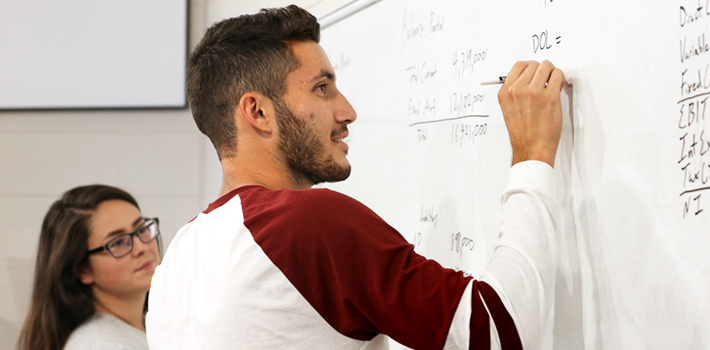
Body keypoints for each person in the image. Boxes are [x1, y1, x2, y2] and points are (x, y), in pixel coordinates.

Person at [147, 5, 566, 350]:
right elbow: (499, 329)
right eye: (322, 88)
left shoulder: (175, 264)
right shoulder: (302, 223)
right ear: (257, 112)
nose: (347, 111)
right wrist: (532, 155)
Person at [18, 185, 161, 350]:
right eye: (118, 242)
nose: (141, 247)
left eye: (141, 229)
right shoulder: (101, 345)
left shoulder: (146, 327)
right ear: (82, 270)